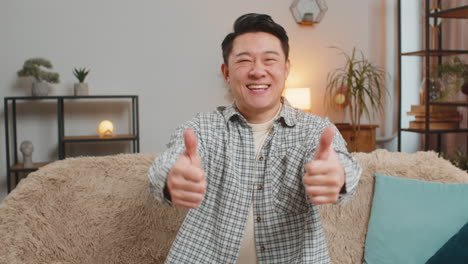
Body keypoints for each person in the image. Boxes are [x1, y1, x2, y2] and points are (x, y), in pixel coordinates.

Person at [148, 13, 362, 263]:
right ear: (226, 72)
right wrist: (170, 177)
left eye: (270, 60)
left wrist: (339, 176)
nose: (257, 71)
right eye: (244, 61)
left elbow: (344, 164)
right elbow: (168, 163)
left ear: (287, 68)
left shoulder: (314, 130)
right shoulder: (202, 128)